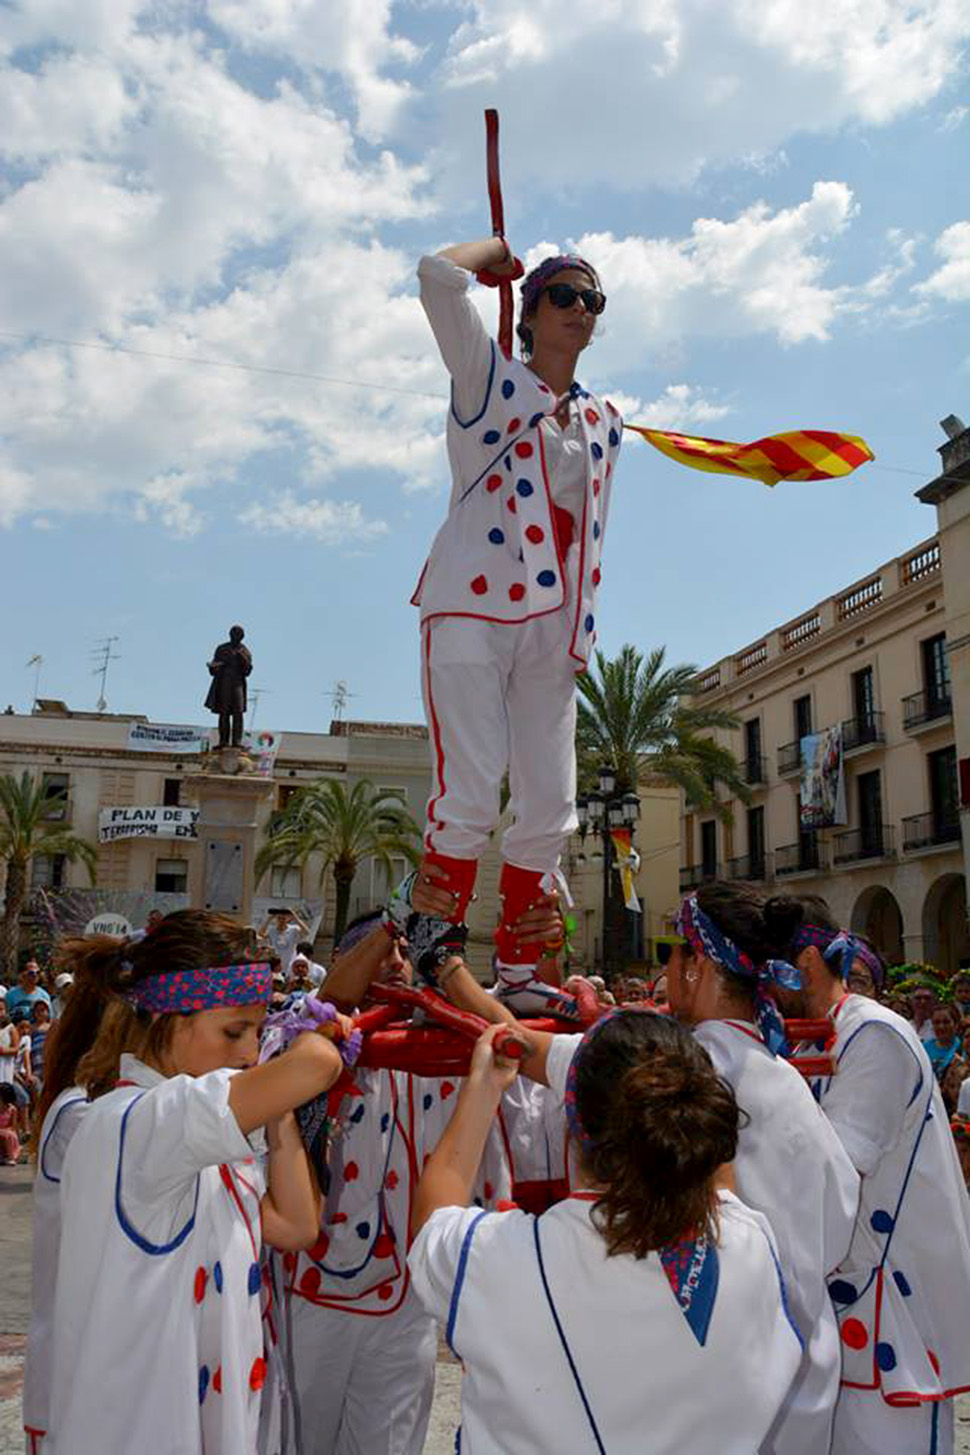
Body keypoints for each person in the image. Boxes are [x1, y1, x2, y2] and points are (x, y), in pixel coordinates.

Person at [408, 1012, 803, 1454]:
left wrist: (482, 1088)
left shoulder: (510, 1259)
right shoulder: (751, 1243)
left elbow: (430, 1222)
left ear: (574, 1130)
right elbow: (718, 1184)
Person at [408, 237, 621, 1014]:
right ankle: (436, 948)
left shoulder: (604, 419)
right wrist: (490, 252)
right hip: (471, 603)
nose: (580, 310)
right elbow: (436, 278)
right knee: (468, 788)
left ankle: (524, 971)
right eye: (563, 294)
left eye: (593, 300)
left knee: (549, 802)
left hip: (556, 621)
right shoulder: (485, 377)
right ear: (528, 313)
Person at [45, 910, 348, 1455]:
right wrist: (298, 1051)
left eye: (259, 1033)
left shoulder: (198, 1140)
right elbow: (318, 1064)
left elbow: (298, 1225)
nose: (251, 1053)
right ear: (170, 1019)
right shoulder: (137, 1124)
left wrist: (278, 1110)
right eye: (235, 1031)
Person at [273, 911, 513, 1455]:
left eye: (406, 951)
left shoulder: (446, 1039)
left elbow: (510, 1040)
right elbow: (327, 1004)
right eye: (384, 950)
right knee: (296, 1442)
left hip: (407, 1307)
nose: (399, 962)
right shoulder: (308, 1035)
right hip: (318, 1298)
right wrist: (391, 920)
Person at [766, 894, 970, 1455]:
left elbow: (832, 1175)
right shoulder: (813, 1036)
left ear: (802, 964)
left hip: (895, 1323)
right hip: (846, 1309)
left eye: (763, 970)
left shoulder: (873, 1034)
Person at [664, 883, 858, 1455]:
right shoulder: (782, 1075)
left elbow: (549, 1058)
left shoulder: (689, 1070)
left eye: (673, 952)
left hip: (734, 1378)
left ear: (698, 964)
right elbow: (839, 1208)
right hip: (804, 1364)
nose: (667, 968)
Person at [205, 623, 253, 749]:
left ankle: (237, 741)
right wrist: (213, 667)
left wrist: (241, 657)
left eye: (238, 635)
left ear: (241, 637)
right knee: (224, 711)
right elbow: (214, 668)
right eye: (233, 634)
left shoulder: (244, 650)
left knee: (238, 711)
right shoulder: (222, 648)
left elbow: (248, 670)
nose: (235, 637)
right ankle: (223, 741)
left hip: (237, 683)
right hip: (224, 682)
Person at [260, 908, 309, 982]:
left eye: (283, 918)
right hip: (277, 965)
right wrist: (269, 919)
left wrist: (295, 918)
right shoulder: (272, 930)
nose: (281, 921)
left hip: (289, 964)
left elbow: (306, 932)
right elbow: (261, 934)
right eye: (279, 918)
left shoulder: (293, 929)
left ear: (287, 919)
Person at [924, 1003, 962, 1084]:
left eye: (946, 1022)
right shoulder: (924, 1048)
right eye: (937, 1022)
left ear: (956, 1024)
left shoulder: (963, 1047)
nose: (941, 1026)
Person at [0, 1083, 21, 1164]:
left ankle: (10, 1157)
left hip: (7, 1131)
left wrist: (5, 1130)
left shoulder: (12, 1109)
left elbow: (13, 1126)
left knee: (8, 1135)